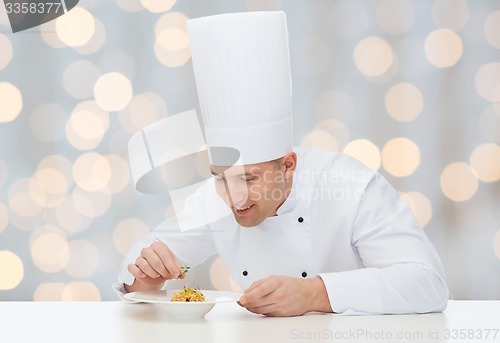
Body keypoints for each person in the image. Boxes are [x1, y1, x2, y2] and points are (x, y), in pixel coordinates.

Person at [114, 11, 449, 316]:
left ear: (288, 165)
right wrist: (145, 277)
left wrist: (315, 294)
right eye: (220, 177)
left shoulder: (351, 187)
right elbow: (141, 258)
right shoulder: (214, 199)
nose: (234, 198)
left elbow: (428, 284)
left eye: (249, 179)